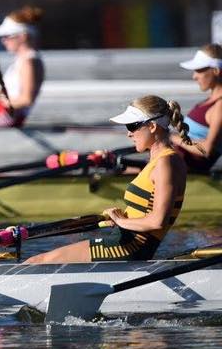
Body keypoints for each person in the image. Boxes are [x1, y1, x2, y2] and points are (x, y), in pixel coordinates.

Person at [26, 96, 189, 263]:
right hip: (124, 241)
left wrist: (120, 221)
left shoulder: (166, 163)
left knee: (36, 262)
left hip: (129, 247)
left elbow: (157, 221)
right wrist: (121, 218)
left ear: (153, 126)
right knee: (36, 260)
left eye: (132, 126)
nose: (128, 134)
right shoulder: (160, 160)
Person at [0, 6, 45, 127]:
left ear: (23, 36)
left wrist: (2, 100)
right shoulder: (22, 60)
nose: (3, 41)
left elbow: (26, 99)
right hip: (4, 114)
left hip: (10, 118)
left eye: (7, 36)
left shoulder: (29, 62)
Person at [175, 45, 222, 172]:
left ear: (216, 71)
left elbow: (206, 150)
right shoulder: (209, 102)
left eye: (199, 70)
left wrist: (171, 137)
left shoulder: (220, 106)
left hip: (179, 169)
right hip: (173, 161)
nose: (194, 76)